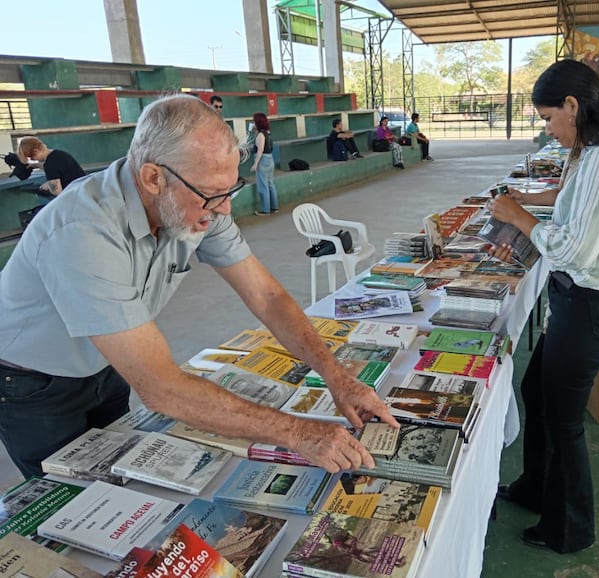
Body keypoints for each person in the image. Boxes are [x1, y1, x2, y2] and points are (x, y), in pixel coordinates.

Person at [0, 94, 399, 480]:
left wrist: (336, 376)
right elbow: (161, 389)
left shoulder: (198, 201)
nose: (225, 209)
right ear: (153, 178)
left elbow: (267, 296)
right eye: (211, 194)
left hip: (106, 368)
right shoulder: (82, 230)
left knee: (118, 477)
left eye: (230, 189)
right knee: (66, 503)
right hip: (32, 386)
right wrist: (299, 433)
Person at [493, 59, 599, 553]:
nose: (547, 127)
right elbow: (570, 206)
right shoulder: (596, 151)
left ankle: (569, 528)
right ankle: (534, 488)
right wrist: (525, 212)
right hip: (580, 303)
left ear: (572, 106)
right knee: (537, 392)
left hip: (591, 308)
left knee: (563, 421)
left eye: (547, 117)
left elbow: (576, 248)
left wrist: (518, 216)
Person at [16, 136, 85, 196]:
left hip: (74, 196)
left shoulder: (50, 164)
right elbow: (58, 168)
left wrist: (49, 185)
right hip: (83, 190)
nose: (32, 159)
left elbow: (57, 193)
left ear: (36, 151)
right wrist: (36, 165)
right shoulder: (59, 154)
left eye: (31, 157)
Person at [250, 112, 278, 215]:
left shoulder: (261, 135)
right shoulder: (267, 132)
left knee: (263, 186)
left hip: (263, 161)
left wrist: (255, 164)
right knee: (270, 184)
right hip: (270, 159)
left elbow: (260, 150)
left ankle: (266, 209)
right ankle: (274, 207)